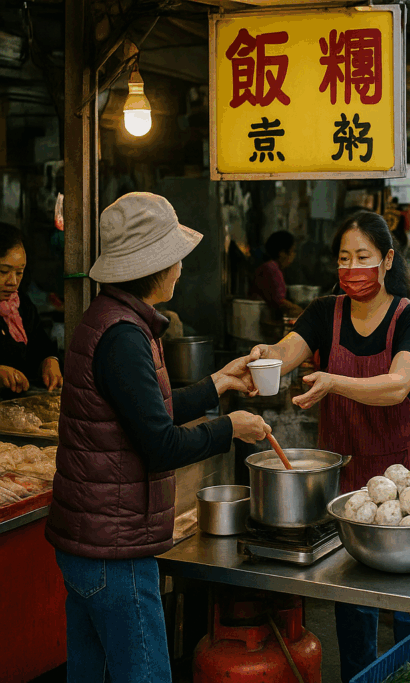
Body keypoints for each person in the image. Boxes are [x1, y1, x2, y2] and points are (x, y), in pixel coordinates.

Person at [45, 192, 271, 683]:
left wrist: (219, 383)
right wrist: (230, 428)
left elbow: (149, 411)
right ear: (154, 264)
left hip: (91, 544)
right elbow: (161, 443)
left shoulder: (113, 319)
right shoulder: (124, 336)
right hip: (114, 552)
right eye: (176, 257)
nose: (182, 267)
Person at [242, 210, 410, 682]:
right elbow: (288, 352)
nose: (352, 268)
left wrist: (334, 383)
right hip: (347, 473)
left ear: (387, 259)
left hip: (403, 473)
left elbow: (397, 385)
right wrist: (267, 357)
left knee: (408, 594)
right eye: (344, 258)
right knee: (353, 596)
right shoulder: (326, 311)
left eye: (363, 257)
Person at [0, 224, 62, 397]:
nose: (12, 281)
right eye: (3, 271)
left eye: (19, 272)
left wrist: (50, 360)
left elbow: (41, 343)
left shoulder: (21, 305)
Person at [252, 230, 304, 318]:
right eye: (292, 251)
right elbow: (279, 301)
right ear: (282, 253)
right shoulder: (272, 269)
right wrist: (303, 312)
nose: (294, 255)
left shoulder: (269, 267)